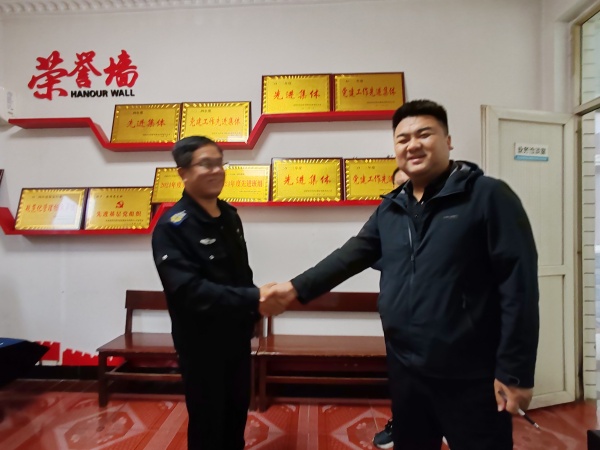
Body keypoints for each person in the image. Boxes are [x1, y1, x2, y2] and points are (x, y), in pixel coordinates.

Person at [260, 100, 539, 450]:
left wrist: (514, 372)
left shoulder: (488, 197)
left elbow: (519, 288)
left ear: (448, 141)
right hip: (406, 370)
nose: (413, 145)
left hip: (469, 373)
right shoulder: (392, 206)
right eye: (403, 138)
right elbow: (351, 255)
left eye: (424, 134)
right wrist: (293, 289)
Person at [151, 135, 272, 450]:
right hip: (201, 344)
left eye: (220, 163)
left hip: (237, 337)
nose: (216, 170)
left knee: (236, 412)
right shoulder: (172, 227)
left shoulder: (230, 216)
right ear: (183, 172)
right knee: (208, 419)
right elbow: (188, 292)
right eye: (206, 164)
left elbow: (241, 273)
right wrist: (255, 298)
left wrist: (254, 310)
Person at [372, 167, 408, 450]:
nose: (403, 190)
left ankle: (447, 422)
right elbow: (365, 252)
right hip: (397, 312)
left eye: (407, 184)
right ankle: (401, 425)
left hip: (441, 317)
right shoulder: (387, 214)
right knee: (400, 375)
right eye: (398, 186)